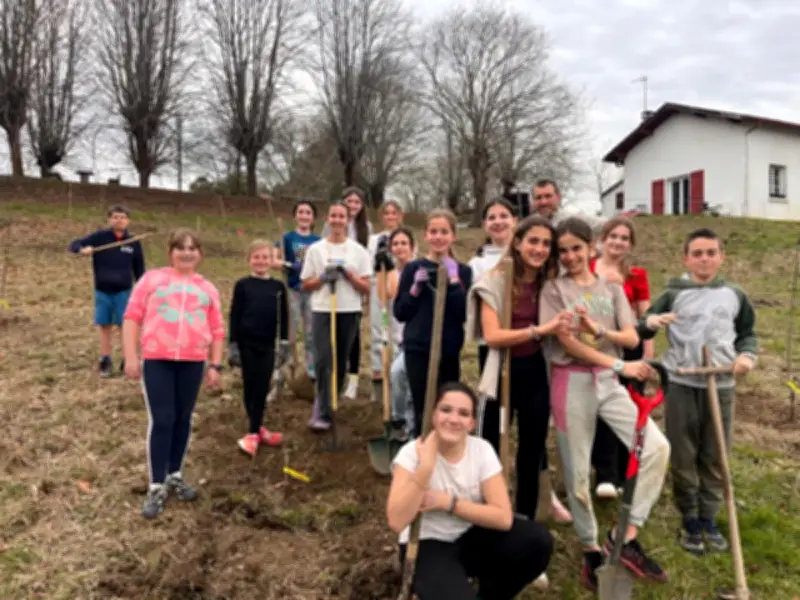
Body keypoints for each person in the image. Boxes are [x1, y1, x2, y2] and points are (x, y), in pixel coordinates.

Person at [539, 217, 671, 591]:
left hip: (609, 384)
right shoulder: (553, 290)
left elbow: (630, 334)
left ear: (590, 246)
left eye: (576, 248)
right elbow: (567, 343)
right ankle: (591, 548)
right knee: (578, 476)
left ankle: (624, 537)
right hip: (572, 383)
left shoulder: (611, 289)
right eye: (562, 251)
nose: (569, 257)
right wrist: (617, 362)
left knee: (657, 449)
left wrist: (600, 331)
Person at [466, 216, 573, 591]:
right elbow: (492, 336)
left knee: (531, 451)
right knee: (489, 450)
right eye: (533, 242)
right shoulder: (495, 280)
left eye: (546, 244)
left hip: (533, 372)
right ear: (518, 241)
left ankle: (524, 529)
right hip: (501, 371)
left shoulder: (548, 283)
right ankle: (484, 525)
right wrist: (538, 330)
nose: (539, 250)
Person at [638, 227, 757, 555]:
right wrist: (652, 322)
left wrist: (746, 356)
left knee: (716, 452)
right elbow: (643, 323)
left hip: (721, 385)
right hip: (682, 382)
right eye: (697, 254)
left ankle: (709, 516)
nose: (704, 259)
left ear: (721, 257)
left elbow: (748, 333)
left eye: (711, 253)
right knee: (684, 451)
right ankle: (689, 516)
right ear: (686, 258)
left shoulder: (734, 295)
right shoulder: (675, 292)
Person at [386, 381, 554, 600]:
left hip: (471, 537)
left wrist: (449, 503)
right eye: (445, 410)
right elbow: (397, 521)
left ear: (472, 423)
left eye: (463, 413)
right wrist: (425, 469)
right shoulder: (412, 454)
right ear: (433, 415)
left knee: (537, 541)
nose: (453, 419)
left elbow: (503, 517)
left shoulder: (481, 450)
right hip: (427, 543)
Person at [122, 228, 225, 519]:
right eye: (180, 247)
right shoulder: (152, 280)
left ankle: (174, 474)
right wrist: (131, 356)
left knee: (183, 418)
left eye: (193, 248)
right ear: (171, 253)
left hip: (193, 361)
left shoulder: (207, 288)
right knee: (163, 418)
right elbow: (131, 317)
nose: (187, 253)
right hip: (157, 360)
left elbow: (217, 330)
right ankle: (156, 484)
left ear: (200, 254)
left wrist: (215, 365)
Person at [393, 208, 472, 438]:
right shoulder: (412, 269)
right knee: (422, 405)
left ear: (453, 236)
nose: (438, 237)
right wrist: (415, 290)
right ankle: (421, 449)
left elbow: (463, 313)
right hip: (418, 348)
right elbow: (400, 313)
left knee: (446, 406)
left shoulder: (464, 272)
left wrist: (455, 281)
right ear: (426, 235)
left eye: (444, 232)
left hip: (448, 349)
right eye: (433, 231)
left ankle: (445, 451)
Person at [590, 216, 654, 499]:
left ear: (631, 244)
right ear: (602, 239)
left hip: (630, 347)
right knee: (602, 408)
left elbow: (645, 319)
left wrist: (647, 357)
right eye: (612, 236)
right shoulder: (588, 268)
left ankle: (624, 472)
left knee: (629, 408)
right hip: (599, 344)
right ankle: (604, 473)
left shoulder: (636, 274)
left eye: (624, 238)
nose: (617, 242)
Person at [301, 201, 372, 432]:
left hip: (348, 309)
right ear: (327, 219)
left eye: (342, 216)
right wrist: (322, 278)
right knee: (323, 359)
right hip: (323, 308)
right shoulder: (316, 249)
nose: (338, 220)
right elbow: (306, 283)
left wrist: (350, 276)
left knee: (341, 360)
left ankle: (333, 398)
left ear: (347, 220)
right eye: (333, 216)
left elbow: (367, 287)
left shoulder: (358, 251)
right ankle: (321, 406)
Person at [228, 240, 290, 457]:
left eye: (265, 257)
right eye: (256, 257)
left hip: (267, 344)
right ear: (249, 260)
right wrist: (233, 343)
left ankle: (256, 428)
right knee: (250, 385)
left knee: (263, 386)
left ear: (271, 261)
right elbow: (234, 315)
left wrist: (284, 342)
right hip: (247, 344)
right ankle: (254, 430)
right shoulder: (243, 285)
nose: (261, 261)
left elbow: (284, 317)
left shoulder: (278, 287)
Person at [68, 204, 146, 377]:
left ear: (128, 221)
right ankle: (105, 359)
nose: (119, 220)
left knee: (125, 326)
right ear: (109, 219)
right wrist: (82, 249)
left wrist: (143, 290)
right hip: (102, 291)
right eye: (115, 217)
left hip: (124, 291)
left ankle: (128, 359)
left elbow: (140, 269)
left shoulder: (133, 242)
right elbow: (74, 244)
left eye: (123, 217)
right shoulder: (100, 237)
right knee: (104, 325)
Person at [323, 187, 373, 400]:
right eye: (349, 201)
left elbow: (366, 257)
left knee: (353, 335)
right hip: (333, 285)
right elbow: (322, 249)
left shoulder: (366, 228)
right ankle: (327, 377)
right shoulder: (330, 225)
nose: (353, 206)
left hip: (355, 283)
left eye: (357, 202)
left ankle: (353, 379)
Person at [379, 227, 417, 440]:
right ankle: (400, 421)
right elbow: (384, 295)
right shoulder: (390, 272)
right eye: (396, 244)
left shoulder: (417, 270)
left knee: (399, 374)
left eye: (404, 243)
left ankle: (406, 424)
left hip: (414, 337)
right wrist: (380, 269)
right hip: (396, 336)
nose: (399, 247)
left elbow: (397, 291)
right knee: (398, 379)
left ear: (412, 247)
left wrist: (392, 270)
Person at [368, 200, 404, 400]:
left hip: (398, 284)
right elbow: (368, 261)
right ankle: (378, 378)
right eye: (387, 213)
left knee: (398, 330)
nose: (390, 217)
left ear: (399, 215)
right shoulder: (375, 239)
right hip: (378, 286)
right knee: (378, 330)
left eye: (394, 213)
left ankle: (397, 376)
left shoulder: (403, 237)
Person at [281, 200, 321, 380]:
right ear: (295, 215)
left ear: (313, 217)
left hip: (312, 290)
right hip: (293, 289)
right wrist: (288, 264)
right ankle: (289, 363)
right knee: (291, 328)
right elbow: (275, 260)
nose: (304, 216)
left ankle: (310, 365)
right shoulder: (287, 238)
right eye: (301, 212)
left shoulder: (318, 241)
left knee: (311, 331)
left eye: (308, 212)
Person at [531, 179, 606, 236]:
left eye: (548, 196)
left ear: (558, 197)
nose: (543, 201)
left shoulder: (571, 219)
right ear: (533, 200)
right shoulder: (530, 224)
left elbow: (605, 225)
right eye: (538, 197)